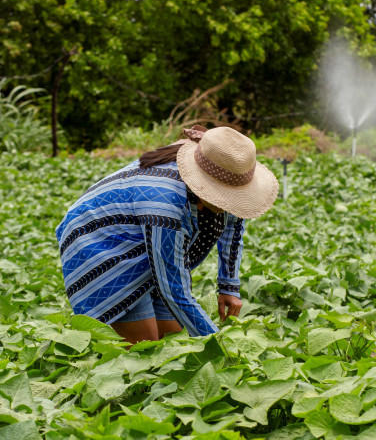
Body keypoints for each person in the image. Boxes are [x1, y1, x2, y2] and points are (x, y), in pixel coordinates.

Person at [55, 125, 278, 343]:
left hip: (151, 241)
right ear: (202, 190)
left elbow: (234, 224)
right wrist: (218, 345)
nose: (231, 203)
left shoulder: (226, 169)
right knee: (146, 348)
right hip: (101, 243)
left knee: (175, 341)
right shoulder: (164, 202)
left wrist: (229, 285)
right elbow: (173, 289)